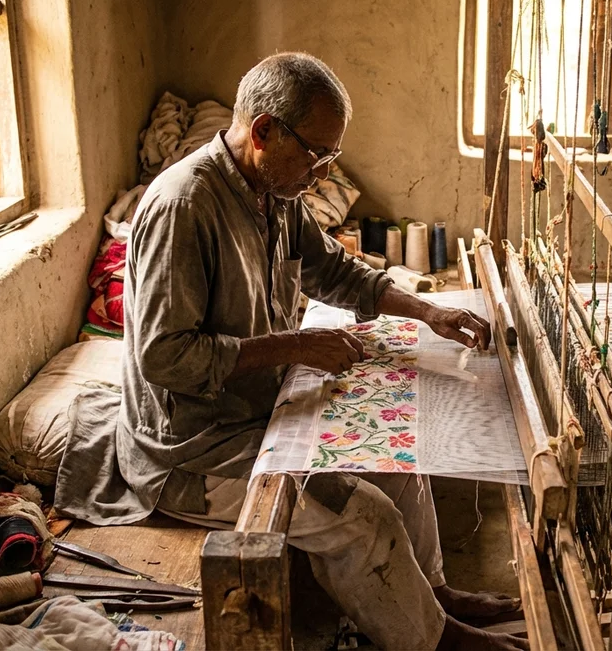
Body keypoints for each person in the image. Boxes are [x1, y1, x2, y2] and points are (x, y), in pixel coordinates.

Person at [101, 52, 526, 650]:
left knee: (399, 465)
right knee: (364, 515)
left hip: (256, 414)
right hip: (191, 451)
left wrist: (429, 311)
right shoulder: (185, 206)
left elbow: (332, 270)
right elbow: (165, 357)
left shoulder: (272, 189)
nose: (323, 173)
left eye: (331, 158)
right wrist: (294, 345)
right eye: (317, 154)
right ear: (265, 130)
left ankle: (431, 597)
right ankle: (434, 642)